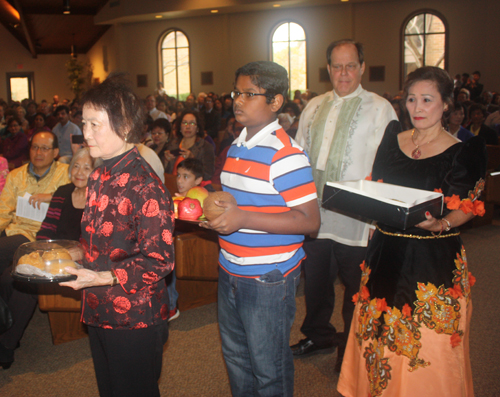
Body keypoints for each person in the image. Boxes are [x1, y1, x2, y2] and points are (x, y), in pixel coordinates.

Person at [338, 66, 486, 397]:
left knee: (428, 348)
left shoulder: (464, 149)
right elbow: (378, 189)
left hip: (432, 258)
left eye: (427, 100)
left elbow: (467, 204)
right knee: (379, 334)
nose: (417, 108)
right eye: (411, 99)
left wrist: (442, 223)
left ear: (446, 104)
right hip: (386, 252)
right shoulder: (393, 139)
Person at [202, 61, 320, 396]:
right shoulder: (237, 145)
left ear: (275, 102)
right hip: (230, 270)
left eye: (249, 94)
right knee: (238, 360)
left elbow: (310, 222)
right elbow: (241, 202)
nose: (238, 100)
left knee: (269, 370)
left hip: (268, 278)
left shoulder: (286, 154)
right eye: (236, 92)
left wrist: (242, 219)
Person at [60, 74, 174, 397]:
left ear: (124, 126)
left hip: (134, 316)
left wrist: (102, 279)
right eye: (84, 124)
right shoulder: (98, 176)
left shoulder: (145, 185)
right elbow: (99, 241)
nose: (86, 134)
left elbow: (160, 260)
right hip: (98, 307)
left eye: (96, 125)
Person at [292, 39, 397, 370]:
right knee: (318, 282)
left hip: (357, 218)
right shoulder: (314, 105)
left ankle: (352, 347)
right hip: (316, 215)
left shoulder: (380, 108)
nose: (344, 72)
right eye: (337, 66)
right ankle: (319, 334)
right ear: (328, 69)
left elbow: (388, 165)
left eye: (351, 65)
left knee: (357, 287)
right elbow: (299, 153)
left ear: (362, 67)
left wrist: (377, 219)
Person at [0, 148, 96, 369]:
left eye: (87, 167)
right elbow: (46, 230)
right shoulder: (63, 192)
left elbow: (94, 241)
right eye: (75, 166)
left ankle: (7, 344)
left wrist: (70, 253)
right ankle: (7, 324)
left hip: (79, 262)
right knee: (9, 276)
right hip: (51, 254)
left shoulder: (99, 199)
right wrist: (40, 250)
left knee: (29, 286)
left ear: (98, 172)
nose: (79, 172)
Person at [164, 110, 215, 182]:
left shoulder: (205, 147)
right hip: (172, 184)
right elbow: (163, 172)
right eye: (184, 123)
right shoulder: (173, 144)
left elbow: (208, 175)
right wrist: (166, 161)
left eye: (192, 123)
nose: (187, 127)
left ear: (198, 128)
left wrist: (193, 159)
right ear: (180, 127)